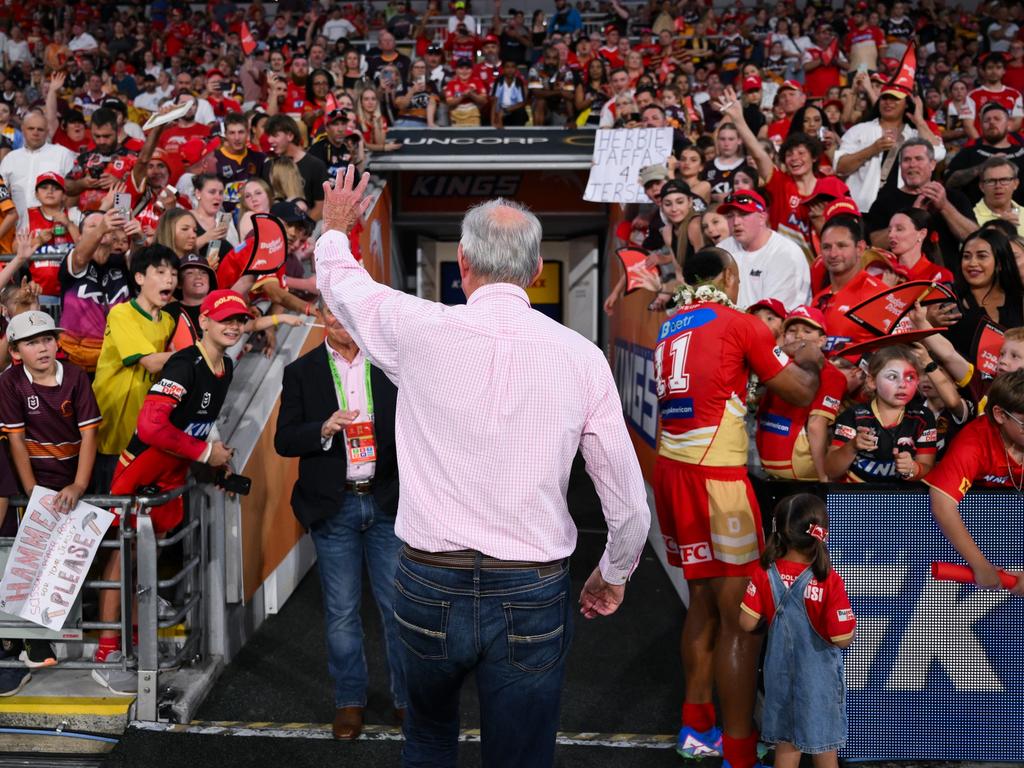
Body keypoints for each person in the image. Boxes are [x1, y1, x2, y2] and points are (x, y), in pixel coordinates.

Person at [315, 167, 650, 768]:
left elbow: (341, 283)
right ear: (538, 272)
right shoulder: (582, 357)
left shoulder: (417, 331)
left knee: (428, 741)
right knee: (520, 757)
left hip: (427, 580)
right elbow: (628, 503)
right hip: (533, 587)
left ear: (463, 266)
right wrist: (614, 572)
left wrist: (337, 225)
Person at [652, 246, 823, 768]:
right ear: (729, 276)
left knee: (702, 602)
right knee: (742, 619)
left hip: (671, 469)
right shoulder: (738, 322)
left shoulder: (671, 322)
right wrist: (812, 360)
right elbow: (796, 390)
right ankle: (741, 750)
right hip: (716, 479)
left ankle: (695, 726)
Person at [93, 289, 243, 692]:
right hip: (140, 470)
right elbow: (151, 428)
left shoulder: (224, 366)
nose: (233, 326)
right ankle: (107, 652)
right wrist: (205, 451)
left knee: (148, 557)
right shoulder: (183, 363)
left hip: (173, 472)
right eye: (225, 318)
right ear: (204, 322)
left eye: (240, 320)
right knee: (122, 559)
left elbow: (201, 420)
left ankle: (137, 646)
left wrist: (217, 458)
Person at [275, 298, 406, 741]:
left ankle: (406, 700)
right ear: (321, 316)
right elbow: (283, 441)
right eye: (330, 312)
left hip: (387, 502)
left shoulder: (391, 365)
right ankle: (350, 702)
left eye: (346, 312)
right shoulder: (301, 372)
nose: (339, 320)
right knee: (342, 612)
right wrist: (323, 430)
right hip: (334, 508)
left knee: (398, 609)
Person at [0, 310, 101, 670]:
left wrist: (79, 483)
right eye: (32, 342)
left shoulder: (75, 375)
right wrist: (32, 492)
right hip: (30, 480)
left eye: (47, 339)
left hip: (70, 476)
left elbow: (90, 432)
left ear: (57, 342)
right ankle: (27, 639)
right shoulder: (9, 382)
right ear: (15, 351)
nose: (42, 347)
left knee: (63, 560)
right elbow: (16, 439)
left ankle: (48, 635)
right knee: (24, 557)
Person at [739, 494, 855, 766]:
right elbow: (840, 638)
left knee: (786, 748)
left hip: (778, 678)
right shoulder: (829, 580)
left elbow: (746, 622)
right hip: (819, 683)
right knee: (824, 751)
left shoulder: (764, 572)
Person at [924, 369, 1024, 594]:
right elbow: (942, 506)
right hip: (969, 535)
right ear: (1000, 414)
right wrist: (980, 565)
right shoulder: (974, 443)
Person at [92, 245, 178, 490]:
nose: (169, 279)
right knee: (110, 515)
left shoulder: (169, 321)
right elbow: (151, 362)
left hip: (147, 431)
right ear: (139, 277)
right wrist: (197, 353)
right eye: (160, 272)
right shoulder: (122, 314)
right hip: (113, 433)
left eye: (173, 273)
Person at [757, 307, 848, 482]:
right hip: (801, 469)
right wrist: (824, 479)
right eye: (792, 330)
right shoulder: (831, 374)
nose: (799, 336)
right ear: (784, 336)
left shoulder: (774, 366)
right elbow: (816, 426)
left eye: (807, 331)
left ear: (822, 340)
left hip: (767, 464)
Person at [826, 345, 937, 483]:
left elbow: (927, 468)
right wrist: (852, 446)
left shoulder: (923, 417)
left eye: (910, 377)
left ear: (917, 382)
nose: (902, 384)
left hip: (900, 498)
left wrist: (913, 469)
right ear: (872, 381)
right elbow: (831, 471)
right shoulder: (853, 415)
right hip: (856, 497)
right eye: (892, 376)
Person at [833, 84, 945, 214]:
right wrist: (872, 149)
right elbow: (840, 167)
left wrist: (919, 121)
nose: (888, 102)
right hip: (860, 209)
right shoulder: (859, 130)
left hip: (901, 211)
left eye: (895, 99)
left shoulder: (915, 134)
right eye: (884, 98)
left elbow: (938, 153)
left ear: (907, 104)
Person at [864, 138, 976, 262]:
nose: (912, 165)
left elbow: (974, 238)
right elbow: (873, 244)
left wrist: (944, 206)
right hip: (901, 278)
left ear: (932, 164)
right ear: (900, 166)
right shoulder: (884, 201)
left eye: (919, 159)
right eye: (907, 160)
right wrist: (912, 215)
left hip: (945, 279)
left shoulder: (955, 198)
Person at [717, 190, 812, 310]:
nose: (736, 222)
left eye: (743, 214)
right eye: (730, 216)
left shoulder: (786, 254)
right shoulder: (722, 251)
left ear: (762, 217)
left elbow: (776, 315)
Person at [0, 110, 76, 227]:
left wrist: (64, 222)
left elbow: (73, 192)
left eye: (40, 129)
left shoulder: (63, 154)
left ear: (47, 132)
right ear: (23, 129)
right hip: (18, 229)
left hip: (54, 228)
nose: (35, 133)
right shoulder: (10, 158)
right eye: (31, 128)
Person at [885, 208, 955, 282]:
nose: (891, 235)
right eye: (889, 230)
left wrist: (886, 289)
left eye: (899, 229)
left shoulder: (939, 276)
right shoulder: (882, 271)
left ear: (922, 234)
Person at [973, 155, 1024, 237]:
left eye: (1004, 180)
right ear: (982, 186)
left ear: (1016, 184)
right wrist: (998, 227)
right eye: (991, 181)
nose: (998, 186)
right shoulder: (970, 217)